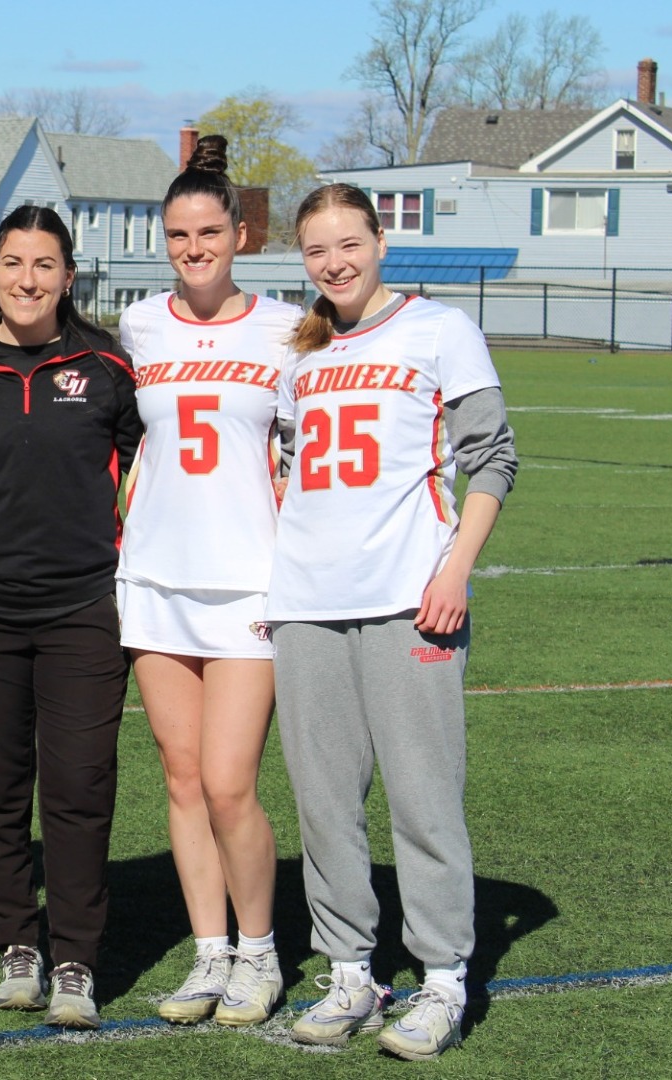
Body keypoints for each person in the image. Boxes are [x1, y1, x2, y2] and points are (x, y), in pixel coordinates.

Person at [268, 182, 517, 1060]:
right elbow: (290, 474)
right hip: (304, 605)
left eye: (349, 243)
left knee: (422, 795)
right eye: (316, 250)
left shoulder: (439, 329)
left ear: (381, 243)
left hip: (411, 597)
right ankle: (350, 970)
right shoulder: (298, 355)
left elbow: (492, 457)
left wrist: (455, 568)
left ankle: (444, 977)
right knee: (325, 803)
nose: (334, 262)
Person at [0, 205, 142, 1030]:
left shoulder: (109, 367)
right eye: (13, 263)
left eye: (45, 265)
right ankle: (18, 941)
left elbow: (157, 471)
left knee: (79, 788)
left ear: (69, 276)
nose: (28, 280)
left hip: (84, 610)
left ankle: (76, 958)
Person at [116, 135, 300, 1027]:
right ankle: (208, 955)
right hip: (153, 580)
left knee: (231, 782)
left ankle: (260, 955)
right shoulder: (139, 325)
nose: (195, 248)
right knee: (182, 780)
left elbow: (311, 451)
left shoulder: (287, 328)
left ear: (239, 233)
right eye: (180, 234)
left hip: (249, 584)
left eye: (210, 232)